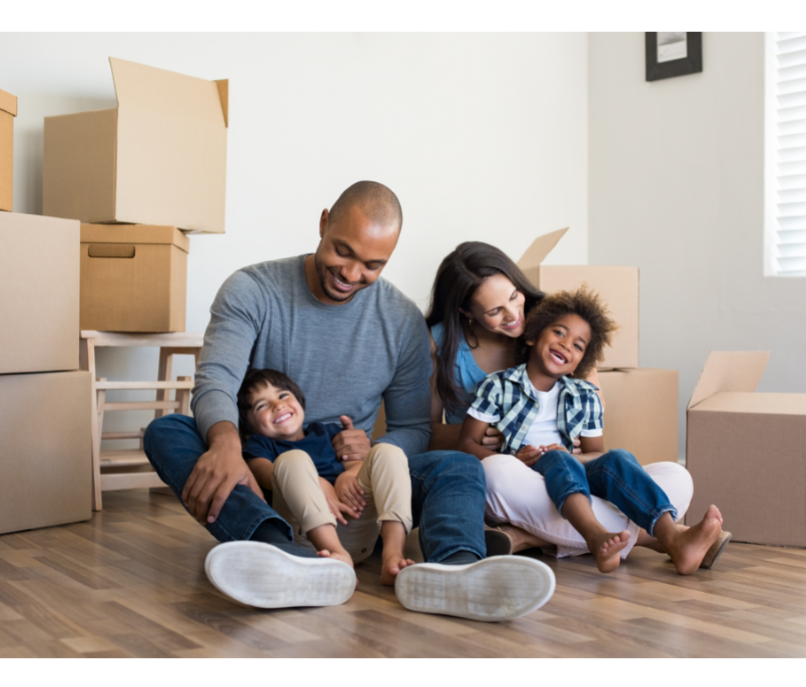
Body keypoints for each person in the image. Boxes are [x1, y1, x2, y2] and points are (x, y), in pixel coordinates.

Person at [144, 181, 555, 622]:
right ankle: (277, 549)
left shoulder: (400, 320)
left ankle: (455, 570)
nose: (352, 273)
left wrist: (366, 458)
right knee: (168, 432)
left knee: (457, 465)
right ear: (324, 223)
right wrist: (226, 443)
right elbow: (216, 380)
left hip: (358, 491)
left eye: (372, 265)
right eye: (343, 251)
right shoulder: (252, 290)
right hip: (266, 473)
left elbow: (414, 426)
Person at [425, 241, 731, 567]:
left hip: (573, 473)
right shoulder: (463, 360)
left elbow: (595, 448)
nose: (515, 315)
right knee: (497, 472)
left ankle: (527, 537)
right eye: (494, 311)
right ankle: (657, 538)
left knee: (676, 476)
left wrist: (575, 456)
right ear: (466, 312)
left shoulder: (561, 325)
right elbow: (427, 433)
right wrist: (494, 440)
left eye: (514, 296)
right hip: (511, 476)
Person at [237, 367, 415, 586]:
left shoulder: (327, 432)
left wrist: (348, 475)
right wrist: (317, 482)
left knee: (388, 452)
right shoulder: (260, 445)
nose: (278, 405)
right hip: (310, 537)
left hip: (356, 521)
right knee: (293, 459)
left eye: (283, 395)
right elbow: (264, 475)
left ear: (300, 402)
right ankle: (337, 555)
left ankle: (393, 555)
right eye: (262, 405)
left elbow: (358, 464)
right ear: (248, 428)